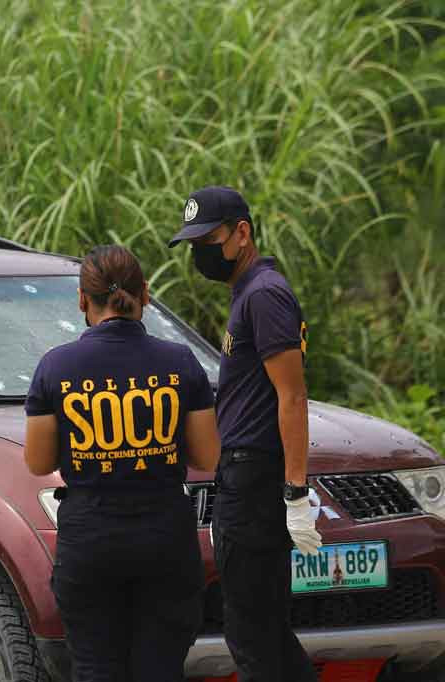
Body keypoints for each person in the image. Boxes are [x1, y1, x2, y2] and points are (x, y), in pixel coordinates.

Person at [24, 244, 220, 682]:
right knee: (161, 670)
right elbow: (207, 456)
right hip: (165, 539)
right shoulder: (180, 363)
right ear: (145, 294)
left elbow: (37, 462)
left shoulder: (56, 367)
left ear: (81, 300)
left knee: (96, 669)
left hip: (90, 541)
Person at [168, 186, 321, 682]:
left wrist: (295, 493)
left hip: (254, 481)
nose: (199, 253)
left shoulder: (264, 294)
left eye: (207, 239)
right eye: (192, 244)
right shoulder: (251, 292)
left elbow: (292, 397)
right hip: (245, 477)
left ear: (242, 233)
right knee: (266, 633)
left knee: (252, 636)